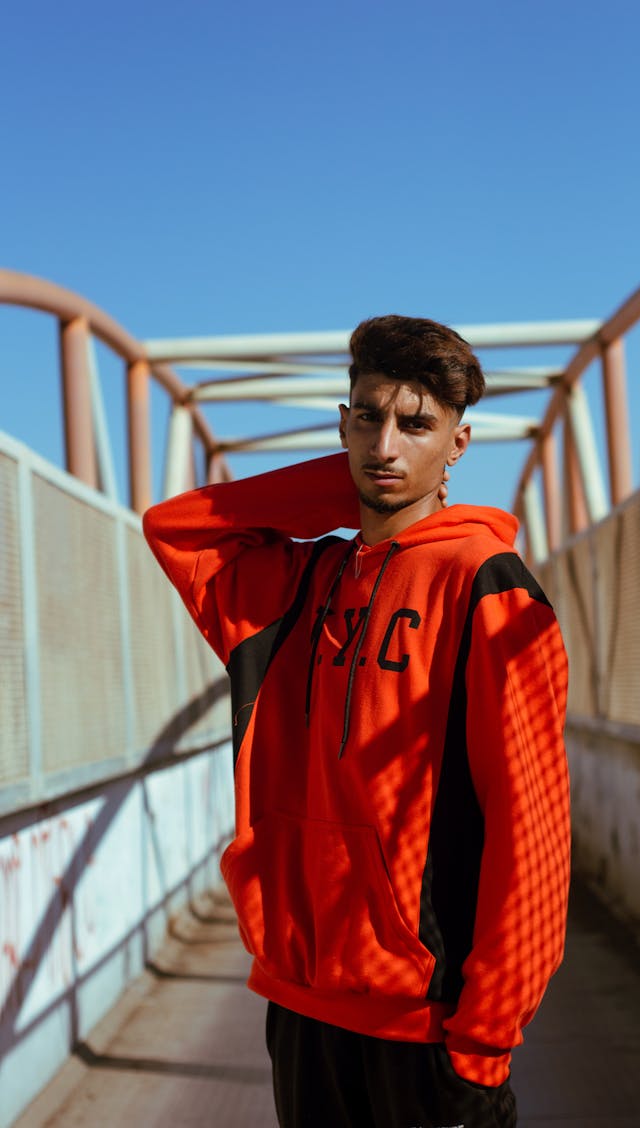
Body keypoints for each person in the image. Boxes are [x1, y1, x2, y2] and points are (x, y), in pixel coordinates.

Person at [143, 315, 570, 1128]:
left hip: (428, 1024)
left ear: (460, 443)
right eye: (368, 417)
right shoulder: (299, 584)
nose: (387, 443)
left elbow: (535, 834)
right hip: (301, 1007)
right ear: (342, 422)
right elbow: (178, 527)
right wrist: (355, 485)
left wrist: (484, 1043)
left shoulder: (487, 585)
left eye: (417, 426)